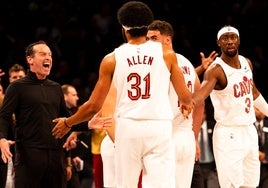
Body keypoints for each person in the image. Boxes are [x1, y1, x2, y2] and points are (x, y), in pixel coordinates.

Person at [52, 1, 194, 187]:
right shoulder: (167, 54)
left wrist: (68, 122)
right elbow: (185, 97)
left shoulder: (111, 59)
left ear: (124, 28)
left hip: (128, 128)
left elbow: (94, 105)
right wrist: (185, 104)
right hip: (159, 128)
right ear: (147, 26)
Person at [192, 25, 268, 188]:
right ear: (218, 42)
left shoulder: (246, 62)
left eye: (233, 37)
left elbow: (253, 92)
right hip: (228, 133)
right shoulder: (215, 70)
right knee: (233, 185)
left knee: (251, 184)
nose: (230, 41)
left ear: (238, 40)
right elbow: (202, 94)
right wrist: (189, 102)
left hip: (249, 129)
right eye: (225, 38)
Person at [0, 40, 71, 188]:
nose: (48, 58)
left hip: (55, 157)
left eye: (50, 55)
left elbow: (67, 118)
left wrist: (88, 123)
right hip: (28, 156)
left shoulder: (56, 88)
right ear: (30, 59)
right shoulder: (17, 87)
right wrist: (1, 139)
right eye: (43, 54)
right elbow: (4, 116)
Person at [147, 19, 204, 188]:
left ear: (167, 40)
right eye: (147, 38)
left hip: (164, 136)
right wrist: (193, 136)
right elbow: (199, 101)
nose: (149, 43)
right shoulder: (186, 63)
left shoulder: (157, 63)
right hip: (185, 137)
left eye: (154, 38)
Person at [62, 84, 94, 188]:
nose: (77, 97)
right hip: (61, 161)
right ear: (65, 96)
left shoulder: (70, 113)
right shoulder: (61, 113)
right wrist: (68, 162)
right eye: (74, 95)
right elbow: (61, 140)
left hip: (70, 159)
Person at [254, 107, 268, 188]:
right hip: (253, 164)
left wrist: (265, 155)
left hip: (266, 165)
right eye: (258, 109)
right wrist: (256, 153)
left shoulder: (267, 124)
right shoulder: (248, 126)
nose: (261, 112)